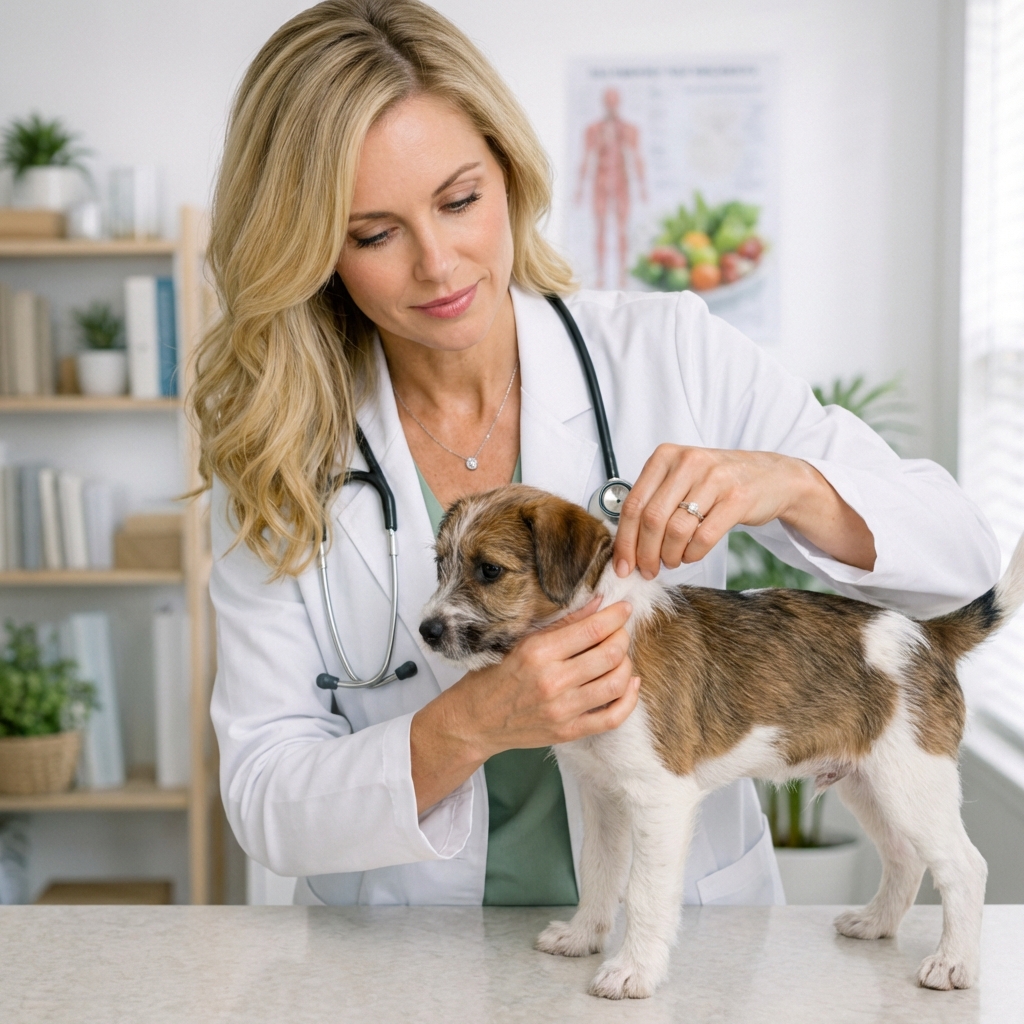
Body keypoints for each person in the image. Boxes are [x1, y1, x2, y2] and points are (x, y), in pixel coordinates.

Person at [198, 0, 1000, 908]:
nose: (440, 263)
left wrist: (788, 482)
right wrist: (464, 726)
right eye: (374, 234)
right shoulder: (277, 458)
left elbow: (963, 562)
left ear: (508, 171)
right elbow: (264, 801)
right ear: (310, 251)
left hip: (689, 953)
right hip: (404, 958)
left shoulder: (672, 351)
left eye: (460, 200)